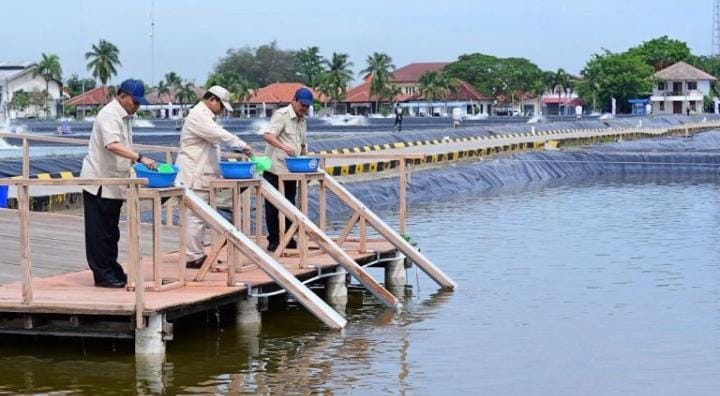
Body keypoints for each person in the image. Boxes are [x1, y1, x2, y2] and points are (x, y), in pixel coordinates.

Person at [80, 79, 156, 288]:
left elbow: (123, 148)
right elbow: (112, 145)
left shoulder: (125, 117)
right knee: (99, 232)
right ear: (122, 96)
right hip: (100, 181)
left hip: (115, 181)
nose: (137, 106)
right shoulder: (109, 114)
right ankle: (102, 275)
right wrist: (141, 158)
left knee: (111, 231)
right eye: (135, 102)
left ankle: (112, 269)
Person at [175, 86, 252, 268]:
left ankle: (197, 253)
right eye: (222, 106)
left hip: (201, 174)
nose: (222, 110)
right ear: (213, 100)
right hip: (193, 174)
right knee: (194, 217)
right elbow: (220, 135)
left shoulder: (206, 117)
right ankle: (194, 256)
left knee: (199, 218)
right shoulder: (199, 116)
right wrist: (243, 145)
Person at [262, 87, 312, 252]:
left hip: (292, 170)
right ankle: (274, 240)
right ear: (294, 100)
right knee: (273, 205)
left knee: (290, 204)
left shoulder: (302, 120)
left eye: (307, 106)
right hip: (275, 168)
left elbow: (303, 144)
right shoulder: (282, 115)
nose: (304, 109)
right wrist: (283, 146)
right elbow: (268, 135)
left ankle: (288, 237)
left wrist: (306, 161)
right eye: (302, 105)